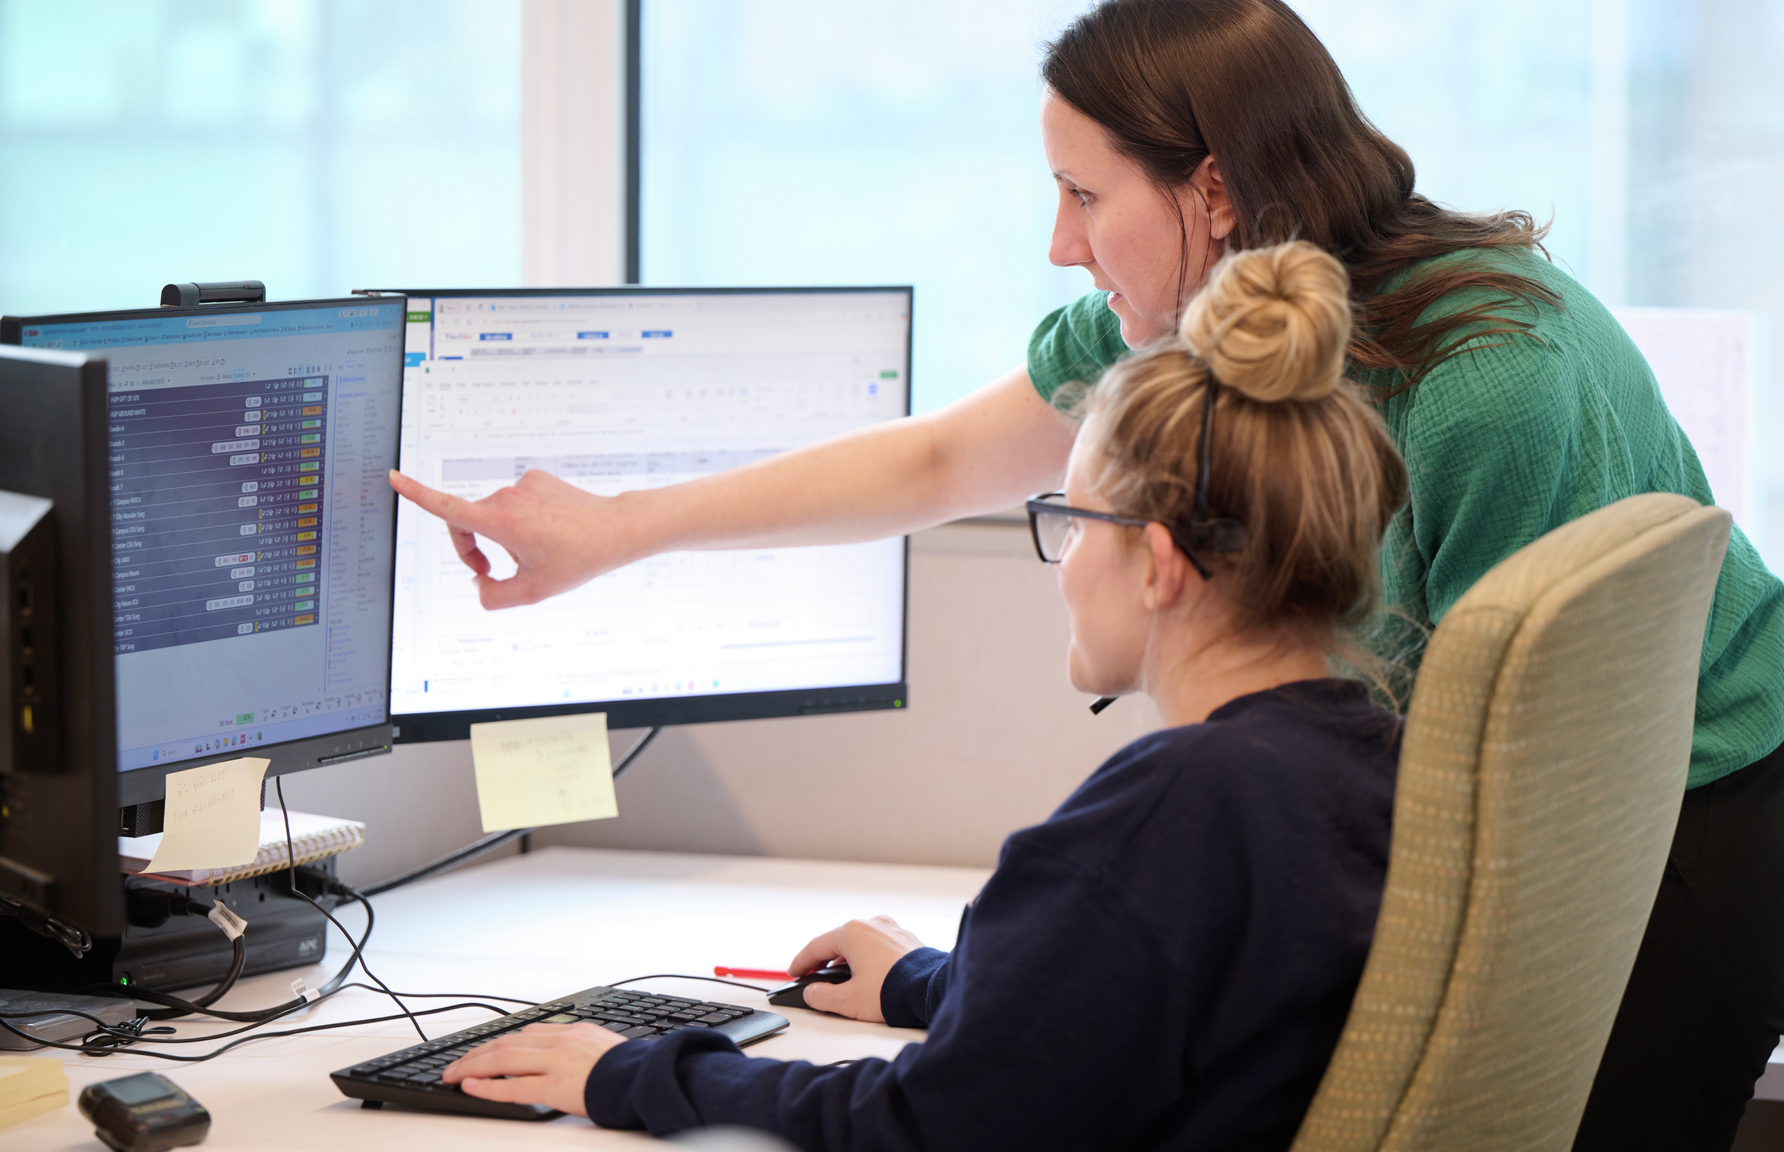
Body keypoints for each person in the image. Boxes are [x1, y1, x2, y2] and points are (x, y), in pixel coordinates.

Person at [396, 2, 1784, 1146]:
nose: (1060, 242)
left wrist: (973, 1000)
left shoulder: (1484, 390)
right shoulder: (1223, 335)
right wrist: (618, 530)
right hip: (1467, 825)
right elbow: (931, 466)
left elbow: (1455, 835)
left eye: (1084, 193)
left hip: (1670, 829)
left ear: (1211, 192)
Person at [440, 240, 1411, 1148]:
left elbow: (928, 1124)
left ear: (1158, 565)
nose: (1064, 567)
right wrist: (929, 984)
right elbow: (1113, 1013)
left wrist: (632, 1074)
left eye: (1072, 526)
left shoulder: (1176, 811)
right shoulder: (1364, 762)